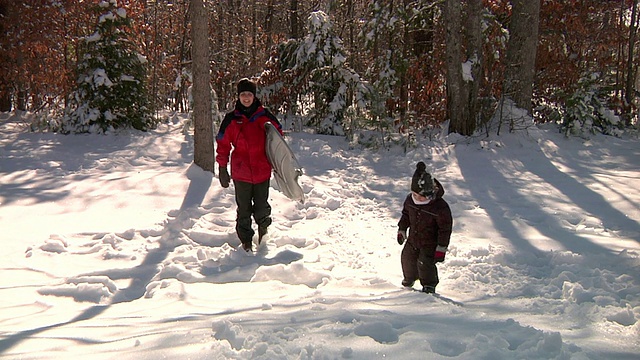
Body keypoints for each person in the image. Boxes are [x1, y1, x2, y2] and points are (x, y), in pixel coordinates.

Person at [216, 78, 283, 252]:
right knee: (244, 208)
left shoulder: (264, 116)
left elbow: (278, 137)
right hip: (241, 172)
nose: (246, 98)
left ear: (254, 96)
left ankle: (263, 232)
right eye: (243, 94)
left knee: (262, 206)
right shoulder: (231, 118)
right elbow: (223, 143)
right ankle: (246, 240)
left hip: (262, 170)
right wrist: (222, 167)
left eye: (249, 94)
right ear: (238, 97)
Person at [397, 161, 453, 293]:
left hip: (430, 243)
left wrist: (441, 248)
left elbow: (445, 229)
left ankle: (429, 284)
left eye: (420, 196)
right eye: (414, 194)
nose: (417, 198)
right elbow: (405, 215)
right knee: (407, 258)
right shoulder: (410, 200)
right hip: (413, 238)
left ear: (429, 193)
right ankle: (409, 278)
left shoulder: (439, 207)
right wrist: (402, 229)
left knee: (425, 263)